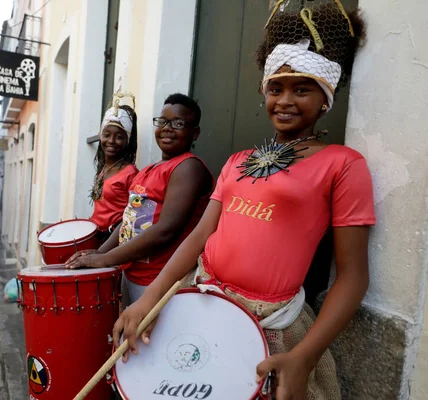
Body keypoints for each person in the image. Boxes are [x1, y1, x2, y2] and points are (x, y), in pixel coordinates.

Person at [113, 3, 373, 399]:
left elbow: (353, 276)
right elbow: (200, 236)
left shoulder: (342, 164)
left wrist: (304, 357)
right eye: (276, 88)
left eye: (301, 89)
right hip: (199, 302)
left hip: (273, 324)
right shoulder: (237, 161)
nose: (285, 100)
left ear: (326, 97)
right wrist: (151, 298)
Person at [67, 93, 214, 308]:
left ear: (195, 133)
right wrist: (101, 252)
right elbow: (129, 219)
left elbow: (166, 230)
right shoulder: (148, 170)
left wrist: (105, 259)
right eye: (162, 121)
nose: (167, 128)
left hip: (160, 282)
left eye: (178, 123)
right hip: (133, 275)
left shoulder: (188, 168)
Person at [89, 93, 139, 242]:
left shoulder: (131, 174)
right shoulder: (104, 167)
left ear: (127, 141)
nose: (111, 141)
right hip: (95, 236)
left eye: (119, 137)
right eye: (106, 134)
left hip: (112, 241)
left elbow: (134, 217)